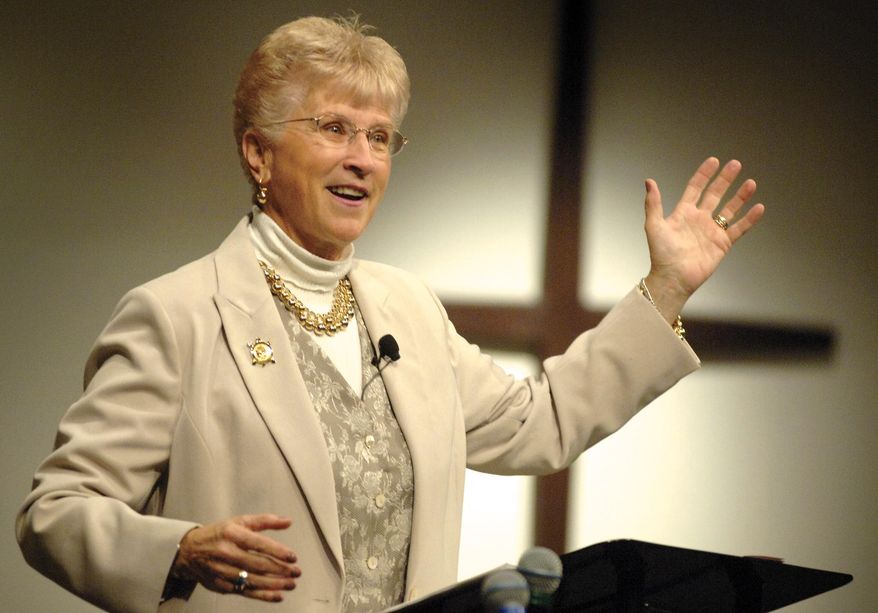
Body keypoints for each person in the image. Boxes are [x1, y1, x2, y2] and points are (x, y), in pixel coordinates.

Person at [16, 15, 765, 613]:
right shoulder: (177, 315)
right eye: (334, 128)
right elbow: (55, 512)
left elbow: (541, 422)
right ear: (258, 154)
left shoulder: (406, 307)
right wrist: (177, 548)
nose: (364, 158)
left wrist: (665, 289)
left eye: (380, 137)